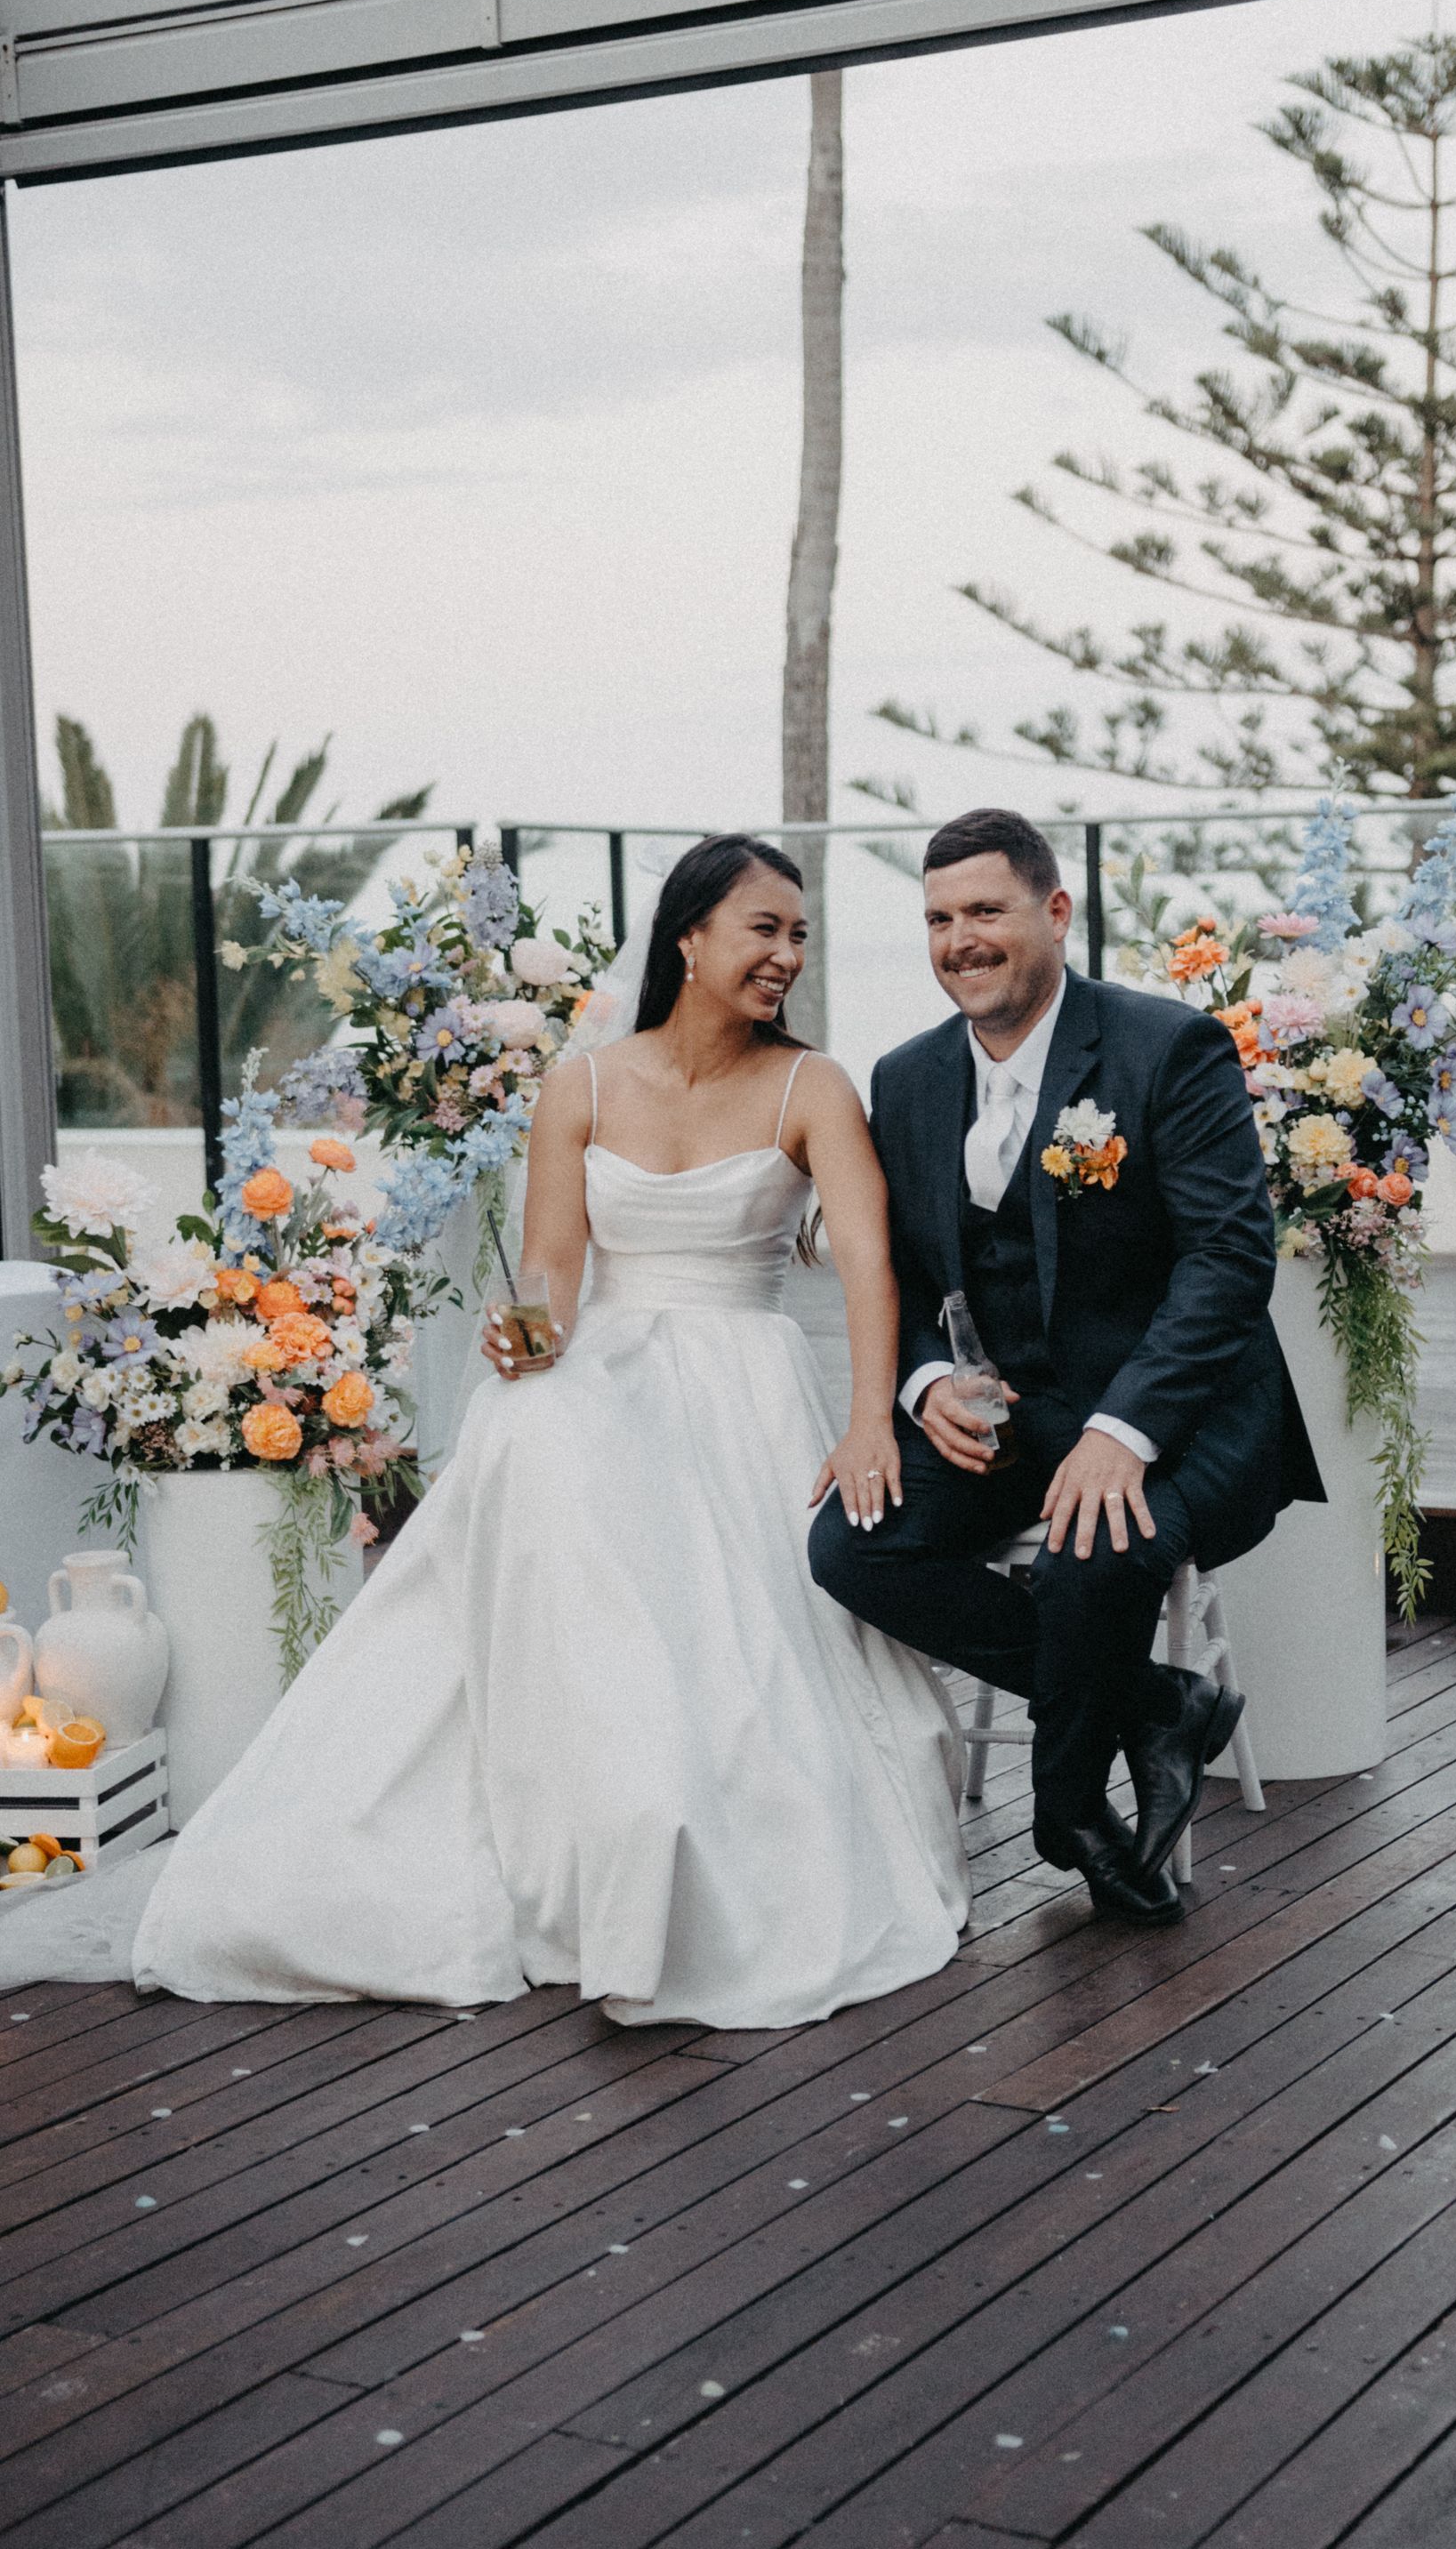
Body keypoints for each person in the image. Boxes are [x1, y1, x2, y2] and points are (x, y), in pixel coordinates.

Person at [1, 838, 969, 2026]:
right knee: (537, 1432)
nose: (786, 955)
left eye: (799, 934)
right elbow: (553, 1288)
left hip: (745, 1386)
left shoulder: (811, 1085)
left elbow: (870, 1267)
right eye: (763, 929)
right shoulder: (586, 1082)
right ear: (690, 938)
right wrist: (510, 1360)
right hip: (607, 1370)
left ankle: (669, 1828)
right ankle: (589, 1806)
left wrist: (871, 1420)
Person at [810, 808, 1323, 1928]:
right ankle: (1155, 1704)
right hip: (1014, 1415)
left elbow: (1229, 1265)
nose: (960, 942)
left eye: (985, 911)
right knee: (852, 1546)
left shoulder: (1164, 1047)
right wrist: (926, 1385)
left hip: (1185, 1414)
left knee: (1095, 1551)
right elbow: (891, 1266)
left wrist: (1120, 1432)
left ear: (1054, 912)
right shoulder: (905, 1081)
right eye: (939, 919)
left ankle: (1068, 1819)